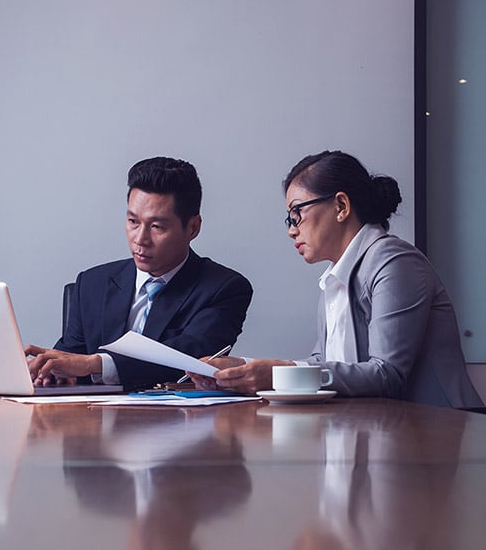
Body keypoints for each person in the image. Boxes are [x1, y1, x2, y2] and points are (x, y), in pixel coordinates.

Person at [190, 150, 483, 409]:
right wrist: (243, 368)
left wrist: (279, 374)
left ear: (341, 206)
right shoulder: (336, 275)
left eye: (297, 213)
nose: (292, 230)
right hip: (387, 430)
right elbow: (324, 363)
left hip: (443, 430)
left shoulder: (393, 261)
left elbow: (387, 374)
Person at [25, 156, 253, 391]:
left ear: (193, 228)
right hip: (91, 421)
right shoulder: (92, 284)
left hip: (178, 421)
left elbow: (185, 357)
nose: (140, 239)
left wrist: (95, 364)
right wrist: (53, 372)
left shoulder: (224, 288)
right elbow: (71, 358)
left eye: (157, 227)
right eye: (133, 221)